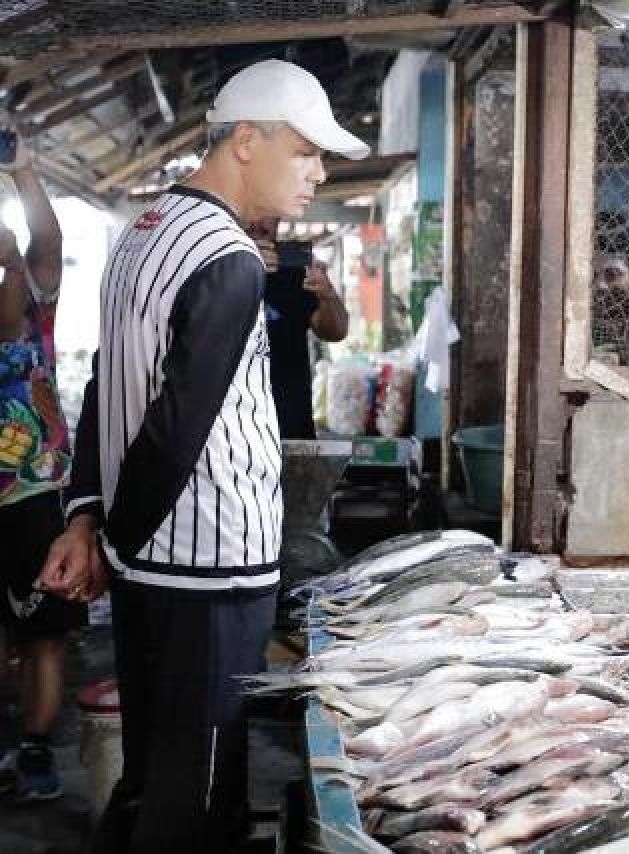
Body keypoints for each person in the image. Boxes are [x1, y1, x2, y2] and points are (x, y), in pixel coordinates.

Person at [38, 59, 368, 852]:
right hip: (209, 572)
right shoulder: (227, 261)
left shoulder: (142, 233)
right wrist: (113, 542)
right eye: (306, 152)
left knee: (157, 778)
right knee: (199, 800)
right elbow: (176, 428)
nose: (317, 175)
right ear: (246, 141)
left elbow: (107, 389)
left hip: (158, 571)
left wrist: (90, 519)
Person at [0, 125, 84, 801]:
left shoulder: (36, 312)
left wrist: (26, 174)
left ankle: (34, 754)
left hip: (33, 495)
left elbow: (47, 243)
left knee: (44, 635)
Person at [247, 220, 348, 439]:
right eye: (255, 213)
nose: (261, 224)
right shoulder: (213, 268)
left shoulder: (293, 271)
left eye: (269, 216)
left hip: (289, 426)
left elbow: (335, 332)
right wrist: (241, 267)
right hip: (233, 428)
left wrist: (327, 294)